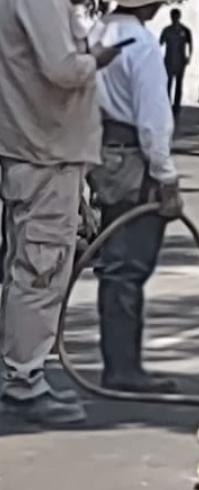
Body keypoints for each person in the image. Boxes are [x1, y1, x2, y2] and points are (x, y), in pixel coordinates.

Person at [0, 0, 122, 426]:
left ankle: (19, 372)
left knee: (30, 267)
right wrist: (98, 58)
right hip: (44, 151)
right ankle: (22, 380)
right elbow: (62, 69)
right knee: (41, 270)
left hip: (39, 150)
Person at [88, 0, 184, 393]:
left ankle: (120, 362)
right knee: (128, 265)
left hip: (102, 152)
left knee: (115, 263)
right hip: (133, 159)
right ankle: (123, 368)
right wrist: (167, 178)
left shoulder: (96, 32)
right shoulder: (140, 43)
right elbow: (152, 120)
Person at [159, 7, 192, 118]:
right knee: (168, 84)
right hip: (168, 60)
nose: (174, 18)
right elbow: (160, 43)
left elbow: (190, 44)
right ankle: (167, 105)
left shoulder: (185, 30)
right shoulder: (167, 30)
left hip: (181, 61)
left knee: (179, 84)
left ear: (179, 17)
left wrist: (189, 57)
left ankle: (176, 106)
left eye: (176, 16)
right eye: (173, 16)